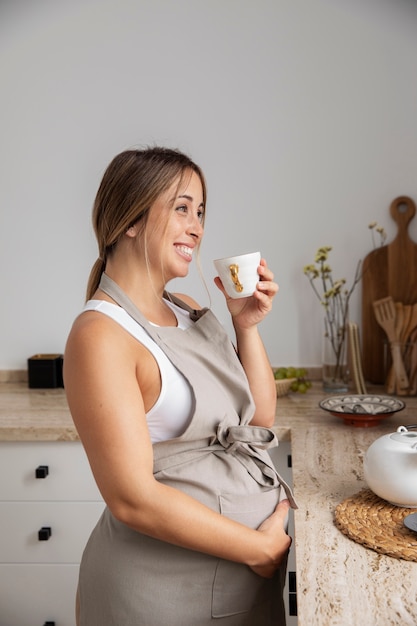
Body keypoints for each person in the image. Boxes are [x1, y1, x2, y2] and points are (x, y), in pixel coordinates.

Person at [63, 146, 297, 626]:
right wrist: (258, 548)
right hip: (160, 597)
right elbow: (131, 498)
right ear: (131, 219)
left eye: (201, 212)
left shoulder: (188, 308)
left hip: (237, 581)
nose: (197, 226)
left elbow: (257, 420)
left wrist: (246, 326)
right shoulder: (100, 335)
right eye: (182, 208)